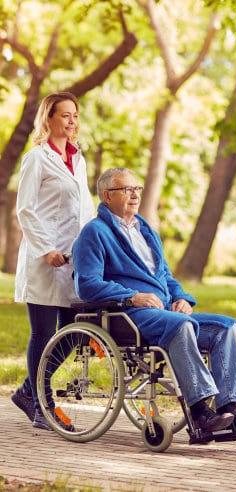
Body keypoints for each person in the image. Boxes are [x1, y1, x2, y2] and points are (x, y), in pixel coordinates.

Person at [72, 167, 236, 433]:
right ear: (107, 196)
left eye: (137, 189)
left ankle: (231, 408)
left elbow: (165, 276)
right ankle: (201, 413)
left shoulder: (146, 231)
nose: (134, 195)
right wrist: (132, 296)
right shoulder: (95, 232)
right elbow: (87, 284)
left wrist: (182, 298)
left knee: (225, 327)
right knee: (180, 326)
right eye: (126, 189)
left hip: (164, 310)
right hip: (128, 314)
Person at [12, 92, 94, 430]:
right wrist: (46, 249)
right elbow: (26, 209)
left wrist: (93, 248)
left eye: (75, 115)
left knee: (77, 331)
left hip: (74, 261)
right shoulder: (36, 158)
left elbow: (84, 208)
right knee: (44, 333)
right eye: (65, 115)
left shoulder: (78, 159)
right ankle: (41, 404)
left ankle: (29, 391)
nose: (72, 121)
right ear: (48, 119)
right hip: (44, 261)